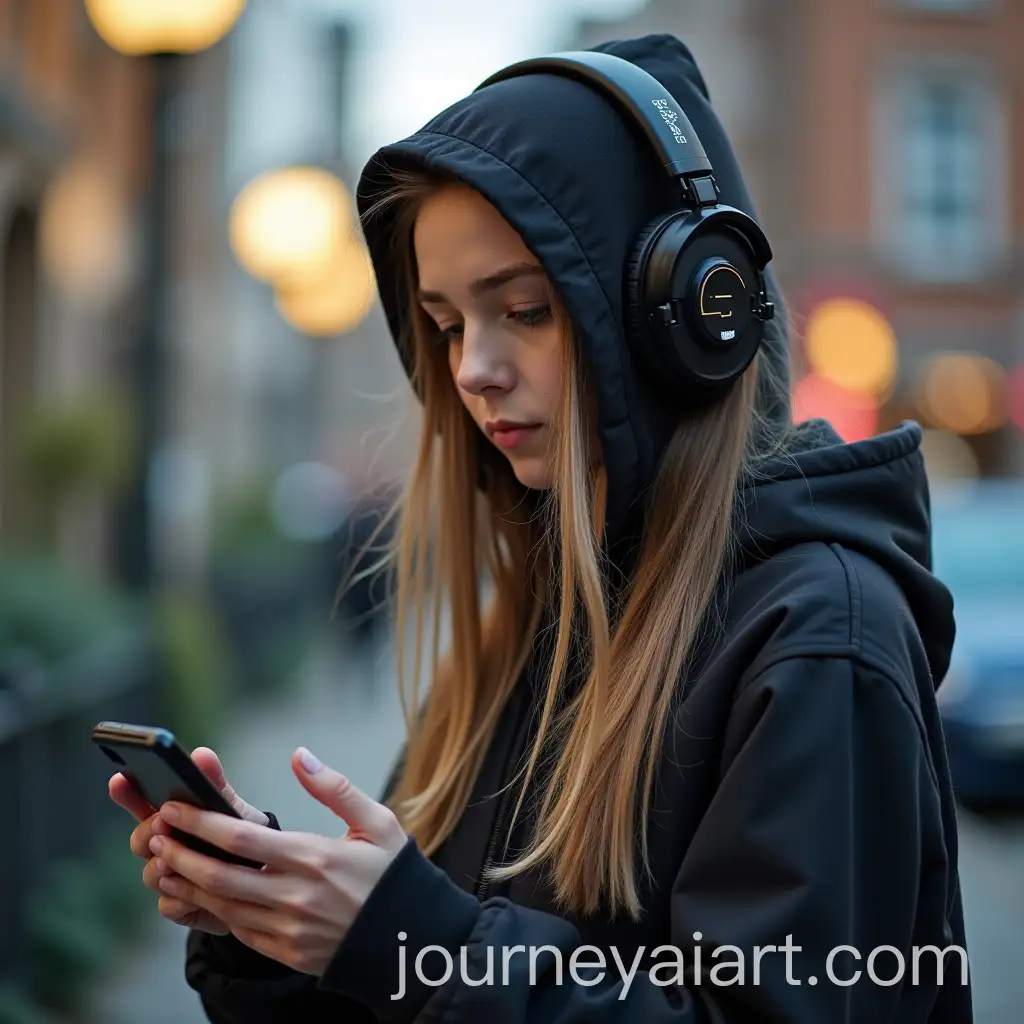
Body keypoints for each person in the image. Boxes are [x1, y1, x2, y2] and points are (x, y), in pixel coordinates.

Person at [108, 34, 973, 1023]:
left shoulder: (822, 637)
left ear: (688, 310)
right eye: (445, 324)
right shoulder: (538, 615)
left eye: (522, 308)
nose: (473, 366)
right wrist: (275, 928)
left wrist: (415, 943)